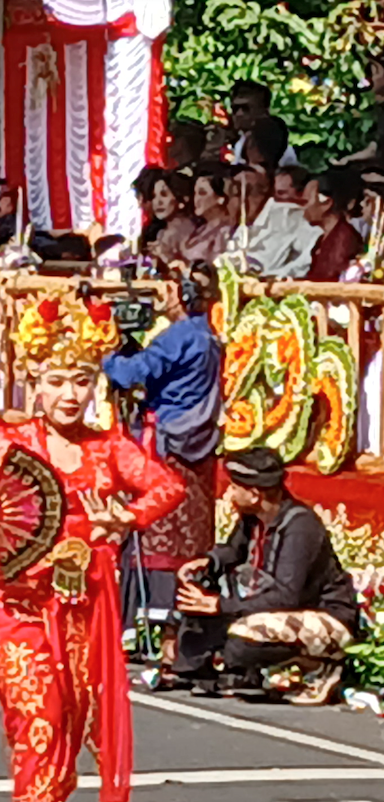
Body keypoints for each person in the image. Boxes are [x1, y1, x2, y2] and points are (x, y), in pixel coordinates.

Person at [0, 292, 184, 802]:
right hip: (19, 604)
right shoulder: (9, 444)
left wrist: (123, 518)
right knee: (40, 717)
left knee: (69, 725)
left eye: (81, 380)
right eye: (56, 381)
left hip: (84, 609)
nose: (70, 394)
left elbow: (167, 486)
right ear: (35, 382)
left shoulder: (108, 447)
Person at [172, 448, 363, 703]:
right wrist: (208, 562)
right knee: (199, 607)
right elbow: (234, 551)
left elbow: (286, 597)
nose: (230, 494)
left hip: (324, 617)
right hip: (270, 608)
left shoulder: (300, 527)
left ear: (254, 494)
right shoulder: (253, 518)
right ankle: (211, 671)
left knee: (240, 641)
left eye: (234, 488)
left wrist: (220, 605)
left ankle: (318, 665)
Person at [103, 264, 224, 640]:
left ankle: (149, 616)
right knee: (191, 533)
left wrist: (107, 355)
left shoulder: (179, 336)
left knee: (155, 524)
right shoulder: (207, 334)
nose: (162, 298)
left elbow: (130, 375)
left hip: (168, 442)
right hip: (198, 444)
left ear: (184, 295)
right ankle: (177, 619)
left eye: (168, 290)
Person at [225, 164, 314, 279]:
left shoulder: (288, 217)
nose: (225, 205)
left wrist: (276, 276)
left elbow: (309, 256)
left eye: (229, 197)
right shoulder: (243, 225)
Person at [303, 169, 364, 282]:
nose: (303, 208)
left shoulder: (345, 239)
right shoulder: (326, 237)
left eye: (305, 202)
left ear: (326, 203)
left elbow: (328, 281)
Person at [139, 170, 197, 265]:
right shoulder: (162, 233)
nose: (158, 201)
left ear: (181, 199)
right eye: (154, 196)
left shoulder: (187, 232)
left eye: (164, 194)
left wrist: (164, 256)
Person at [179, 169, 236, 265]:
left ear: (220, 198)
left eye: (202, 193)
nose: (196, 199)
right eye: (195, 193)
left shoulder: (225, 232)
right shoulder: (200, 230)